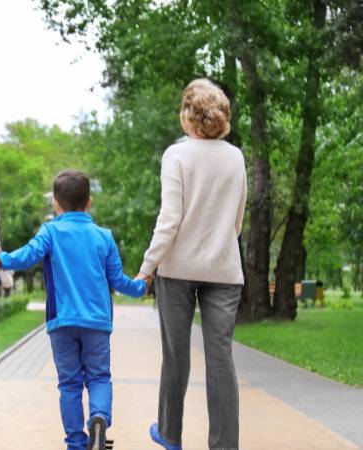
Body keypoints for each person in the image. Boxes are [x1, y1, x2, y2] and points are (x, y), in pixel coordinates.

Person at [0, 170, 146, 450]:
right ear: (89, 202)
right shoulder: (104, 237)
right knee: (99, 377)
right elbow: (118, 281)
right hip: (97, 322)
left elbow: (27, 256)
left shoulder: (50, 231)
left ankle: (75, 441)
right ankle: (98, 417)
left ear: (56, 205)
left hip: (62, 322)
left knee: (69, 384)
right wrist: (142, 286)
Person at [136, 79, 247, 450]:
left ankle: (170, 435)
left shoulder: (177, 155)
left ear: (188, 115)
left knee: (176, 355)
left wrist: (147, 265)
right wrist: (218, 243)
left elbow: (170, 219)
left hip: (178, 269)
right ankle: (224, 444)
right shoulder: (235, 157)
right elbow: (237, 219)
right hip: (224, 269)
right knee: (221, 358)